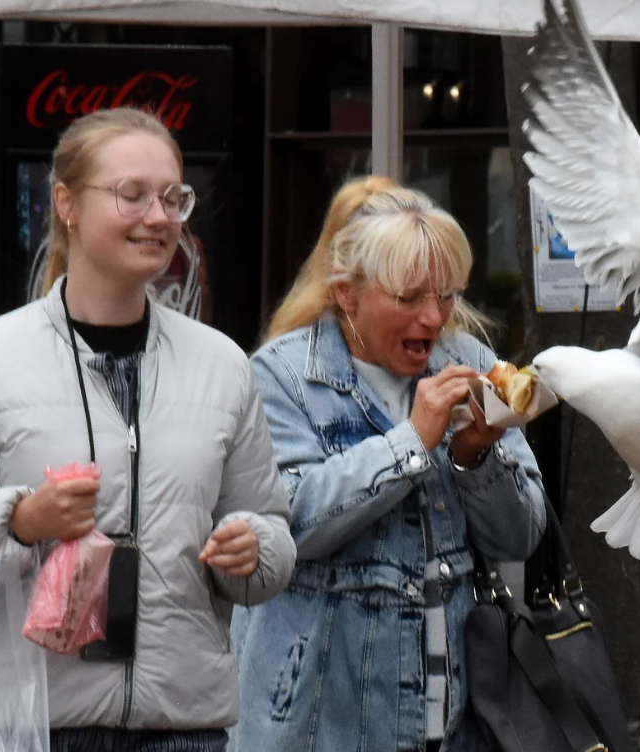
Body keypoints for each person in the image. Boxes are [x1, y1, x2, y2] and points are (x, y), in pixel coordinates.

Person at [0, 107, 296, 752]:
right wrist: (18, 521)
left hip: (179, 728)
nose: (158, 217)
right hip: (18, 727)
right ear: (67, 202)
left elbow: (269, 534)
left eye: (172, 198)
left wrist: (253, 551)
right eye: (132, 195)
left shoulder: (223, 366)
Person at [230, 176, 548, 752]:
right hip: (317, 720)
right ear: (347, 293)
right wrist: (413, 441)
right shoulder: (279, 375)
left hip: (454, 719)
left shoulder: (473, 363)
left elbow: (520, 535)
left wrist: (476, 455)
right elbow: (289, 522)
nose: (434, 318)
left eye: (446, 294)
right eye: (409, 298)